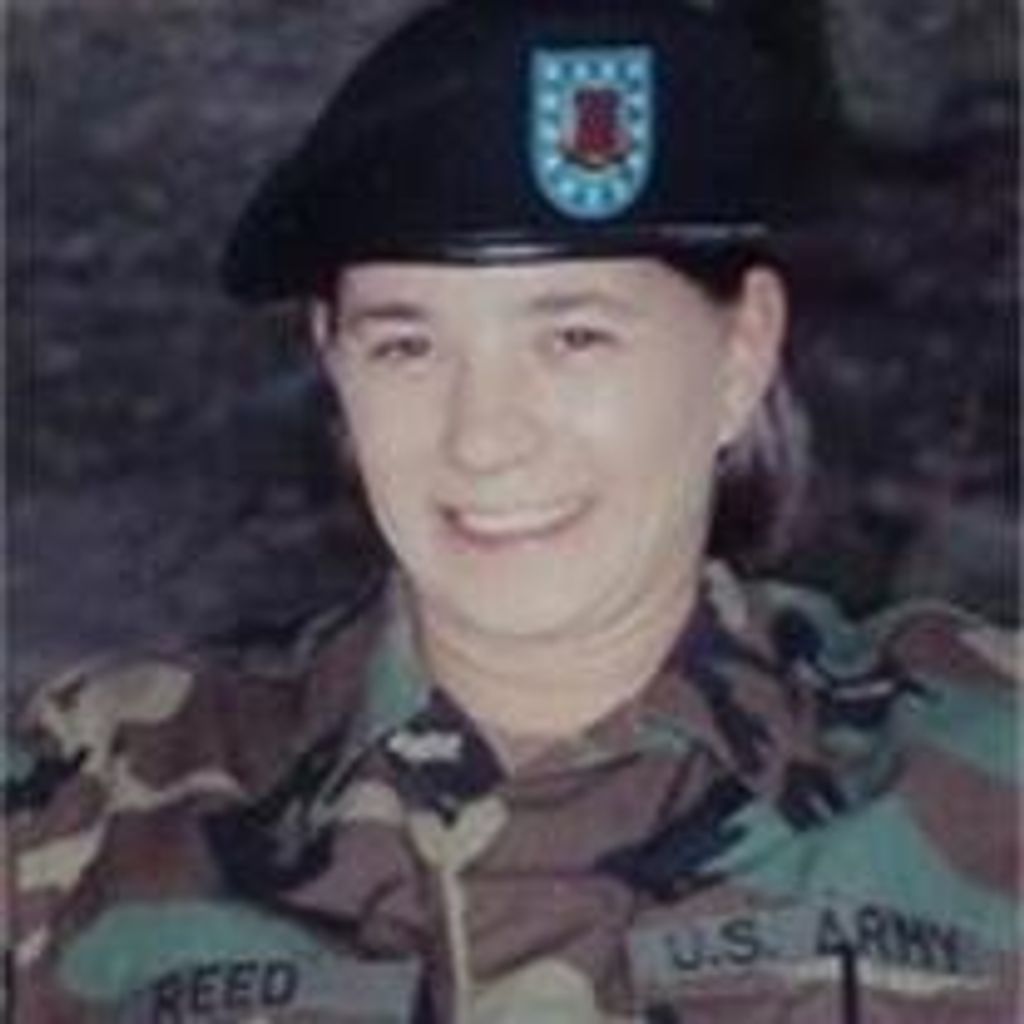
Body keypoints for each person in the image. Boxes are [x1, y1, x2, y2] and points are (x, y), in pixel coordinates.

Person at [8, 1, 1018, 1022]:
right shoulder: (93, 808)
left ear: (742, 349)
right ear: (334, 359)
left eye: (573, 337)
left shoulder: (988, 772)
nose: (484, 437)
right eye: (407, 346)